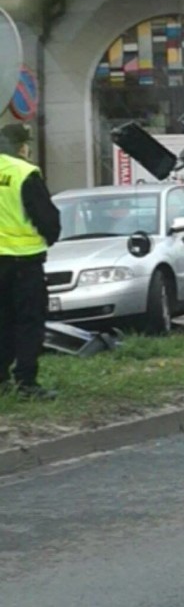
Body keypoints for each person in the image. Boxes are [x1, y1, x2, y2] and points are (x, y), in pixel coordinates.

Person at [0, 122, 61, 400]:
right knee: (29, 322)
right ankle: (26, 381)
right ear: (21, 146)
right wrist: (48, 238)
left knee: (2, 321)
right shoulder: (24, 173)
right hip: (24, 263)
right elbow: (48, 220)